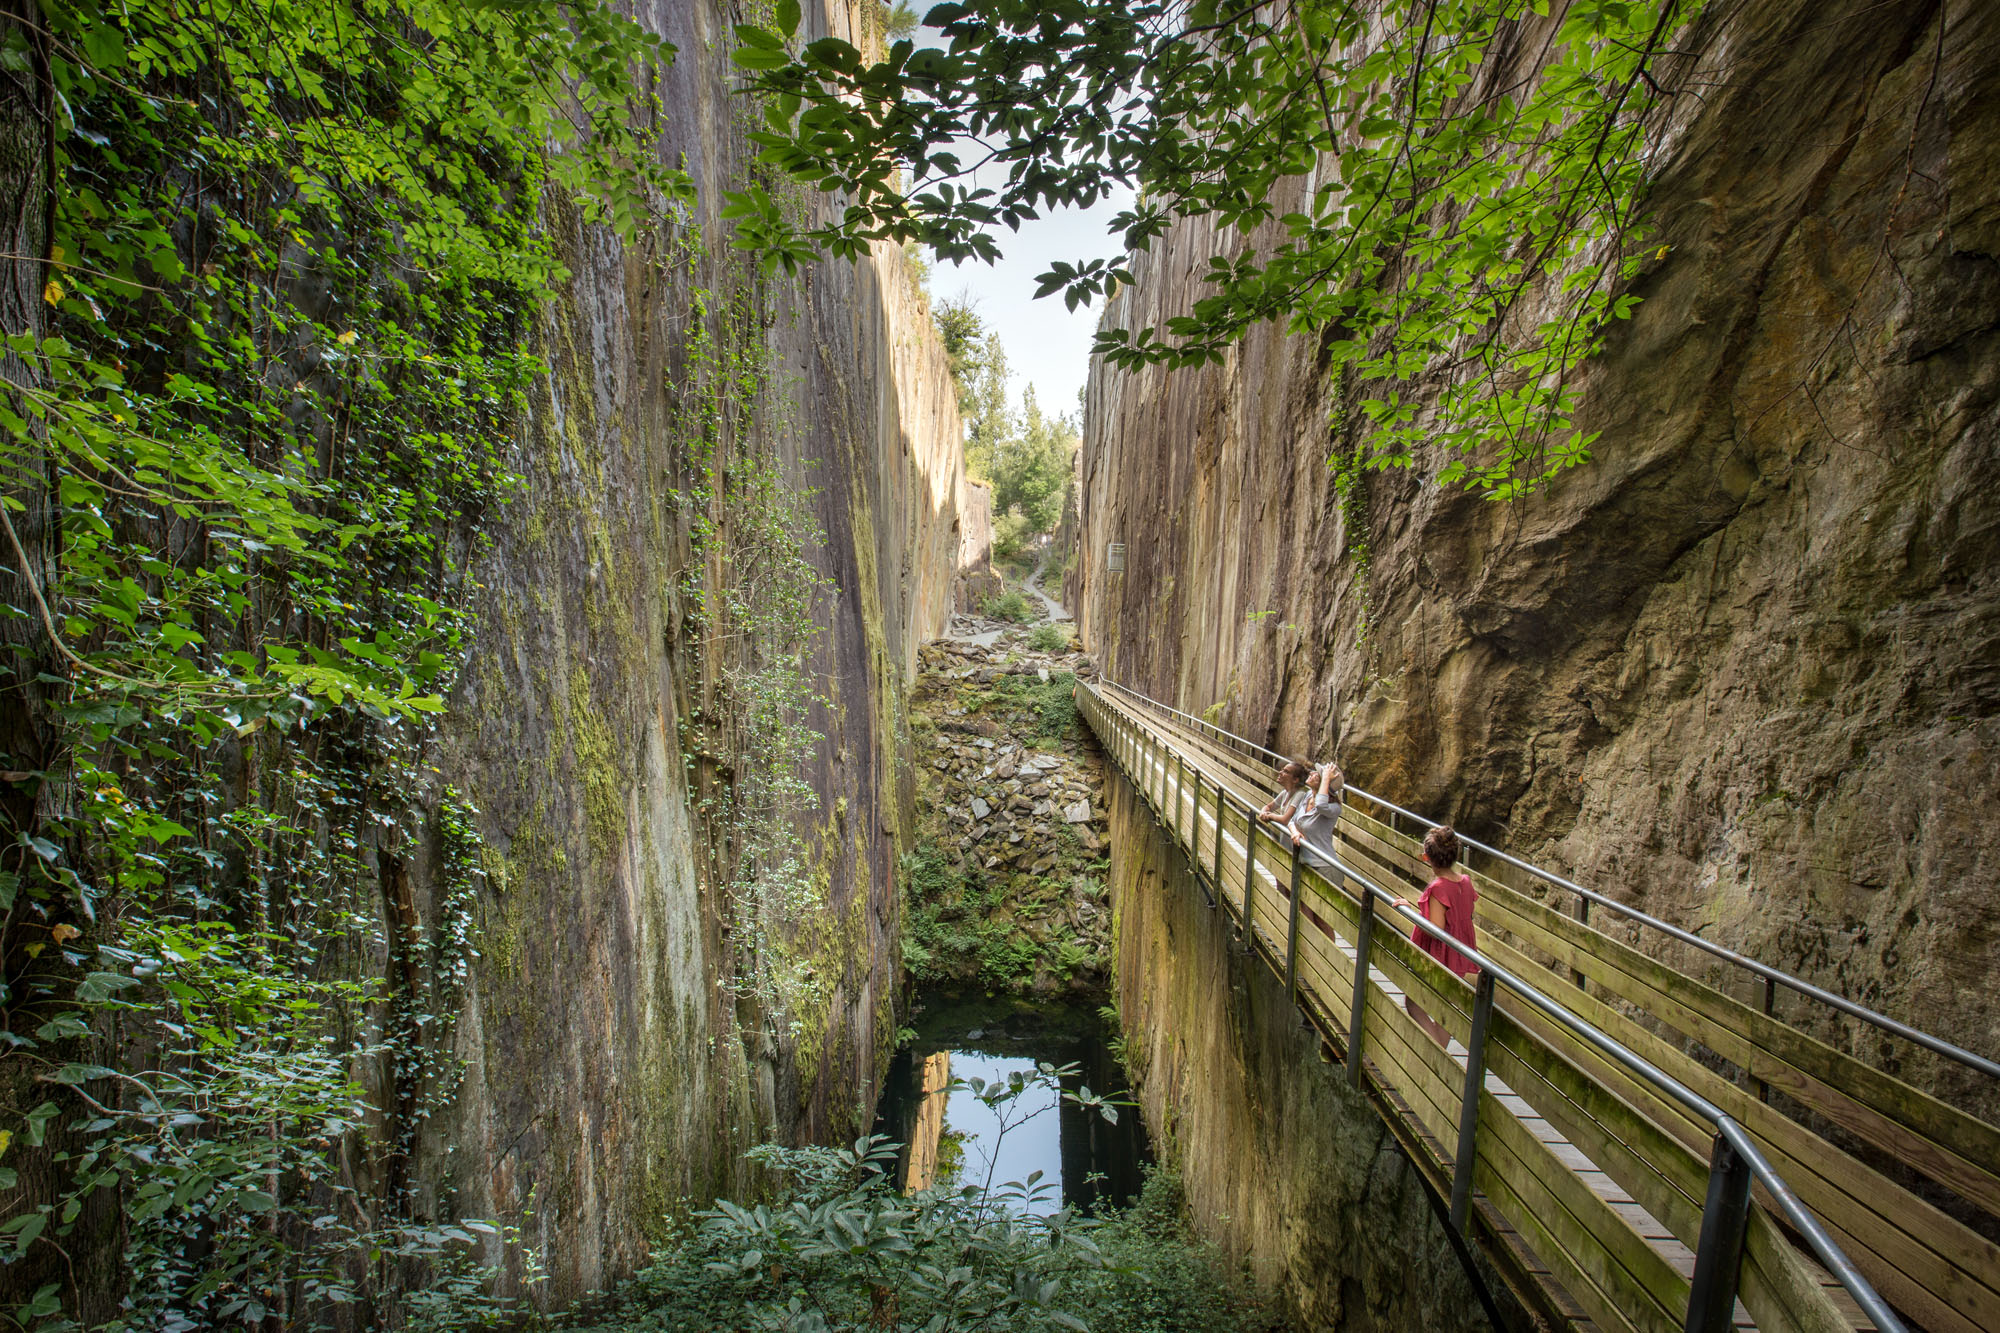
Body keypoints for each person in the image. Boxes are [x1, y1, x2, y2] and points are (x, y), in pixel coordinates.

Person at [1392, 825, 1478, 1046]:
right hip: (1459, 952)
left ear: (1426, 858)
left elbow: (1436, 928)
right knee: (1445, 1010)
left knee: (1414, 1003)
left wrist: (1411, 912)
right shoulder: (1465, 882)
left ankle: (1435, 1054)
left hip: (1439, 956)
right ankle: (1439, 1054)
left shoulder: (1438, 888)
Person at [1287, 761, 1344, 872]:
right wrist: (1295, 833)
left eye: (1316, 775)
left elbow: (1320, 805)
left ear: (1324, 784)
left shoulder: (1334, 807)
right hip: (1305, 863)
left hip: (1325, 867)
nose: (1311, 773)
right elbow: (1292, 821)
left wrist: (1326, 777)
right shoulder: (1308, 795)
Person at [1257, 759, 1313, 828]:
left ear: (1295, 780)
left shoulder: (1300, 794)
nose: (1280, 772)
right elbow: (1269, 807)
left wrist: (1269, 815)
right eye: (1282, 770)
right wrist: (1263, 812)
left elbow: (1285, 820)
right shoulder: (1285, 792)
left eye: (1286, 771)